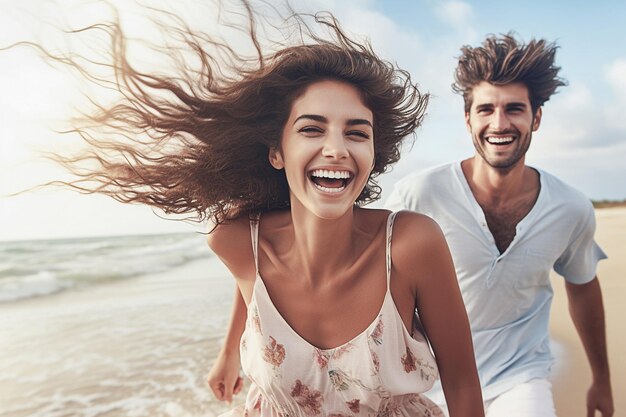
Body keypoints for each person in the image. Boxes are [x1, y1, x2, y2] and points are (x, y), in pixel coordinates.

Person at [38, 2, 483, 416]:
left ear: (373, 152)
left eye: (357, 133)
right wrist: (229, 351)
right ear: (277, 152)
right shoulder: (234, 240)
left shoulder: (410, 245)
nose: (336, 149)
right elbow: (254, 276)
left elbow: (462, 384)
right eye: (312, 129)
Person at [385, 34, 614, 417]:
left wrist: (602, 380)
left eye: (514, 109)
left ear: (536, 117)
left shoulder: (570, 207)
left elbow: (584, 287)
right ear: (468, 118)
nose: (499, 123)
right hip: (429, 379)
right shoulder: (419, 194)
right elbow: (369, 278)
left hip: (521, 376)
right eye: (486, 109)